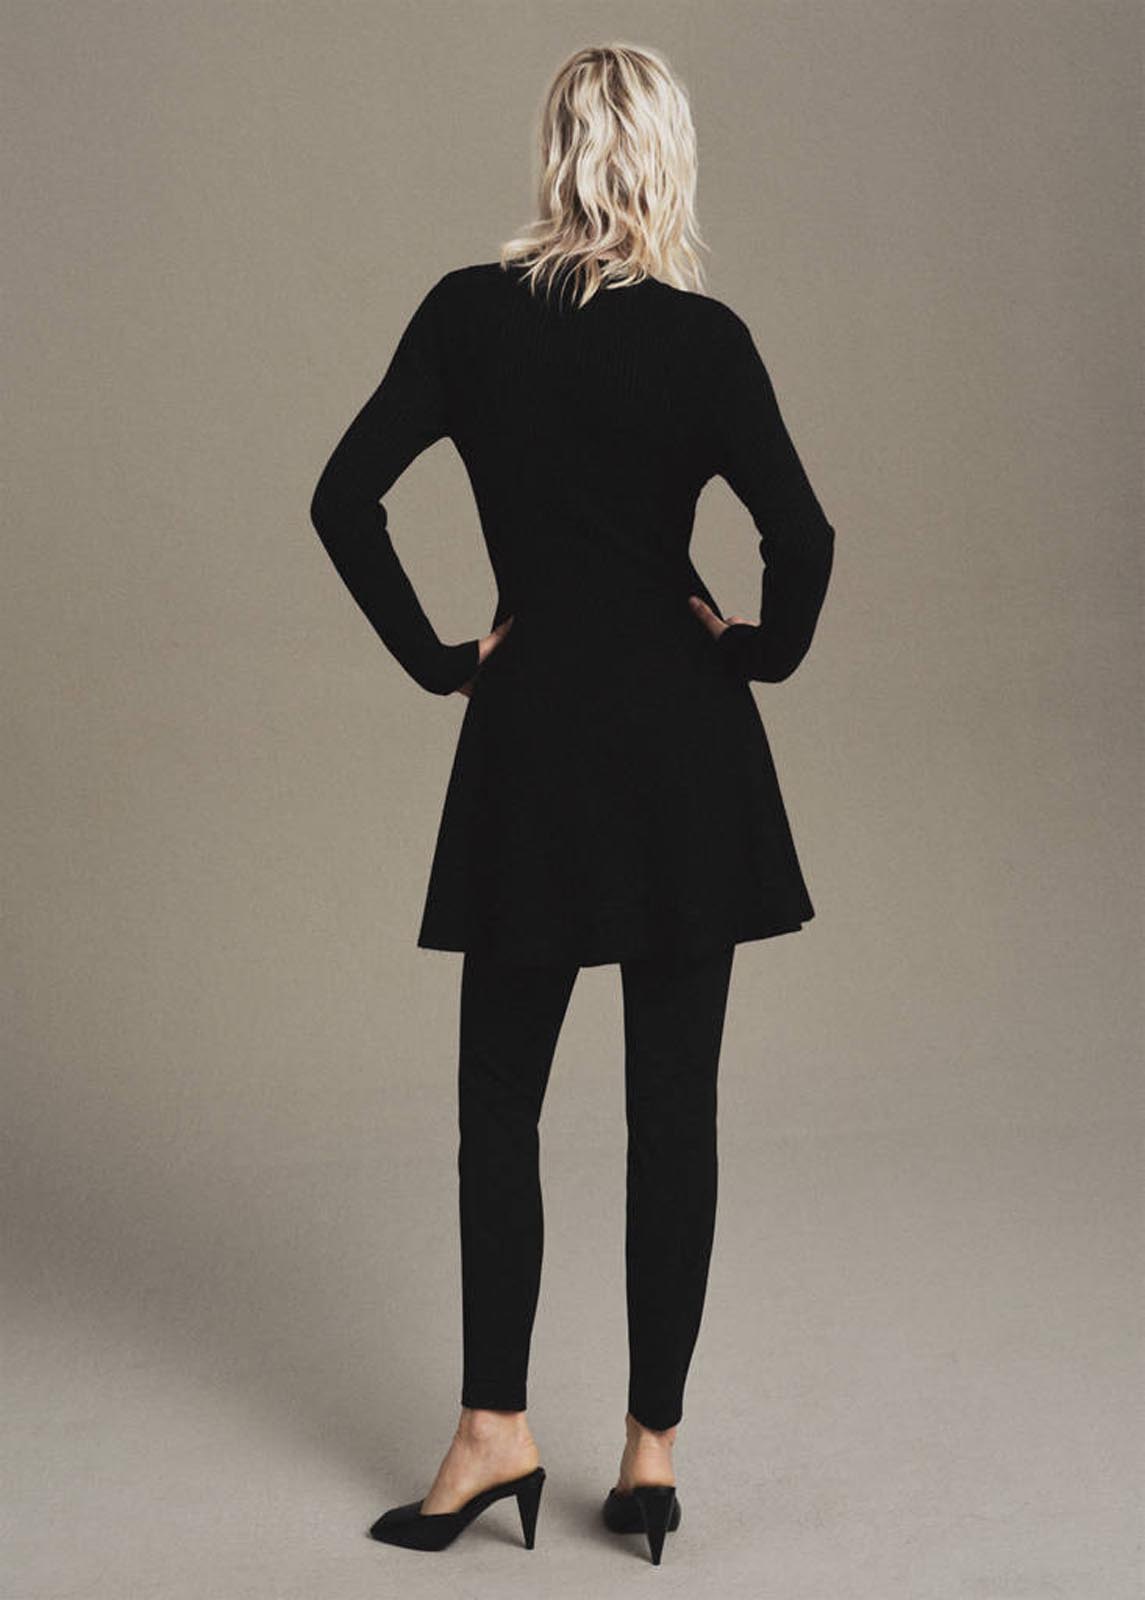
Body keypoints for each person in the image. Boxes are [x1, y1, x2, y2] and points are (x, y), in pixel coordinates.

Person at [308, 41, 836, 1566]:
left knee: (499, 1105)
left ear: (554, 153)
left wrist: (440, 661)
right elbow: (802, 539)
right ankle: (650, 1460)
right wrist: (752, 653)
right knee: (673, 1111)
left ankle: (493, 1431)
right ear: (666, 159)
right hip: (684, 754)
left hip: (532, 743)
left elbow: (342, 500)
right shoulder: (705, 339)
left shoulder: (467, 316)